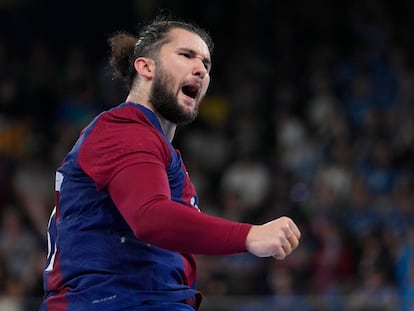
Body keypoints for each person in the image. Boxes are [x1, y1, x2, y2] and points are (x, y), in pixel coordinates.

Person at [39, 15, 301, 311]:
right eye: (186, 55)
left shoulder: (154, 147)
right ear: (146, 66)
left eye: (206, 64)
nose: (200, 69)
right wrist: (249, 235)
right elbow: (150, 217)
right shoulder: (125, 129)